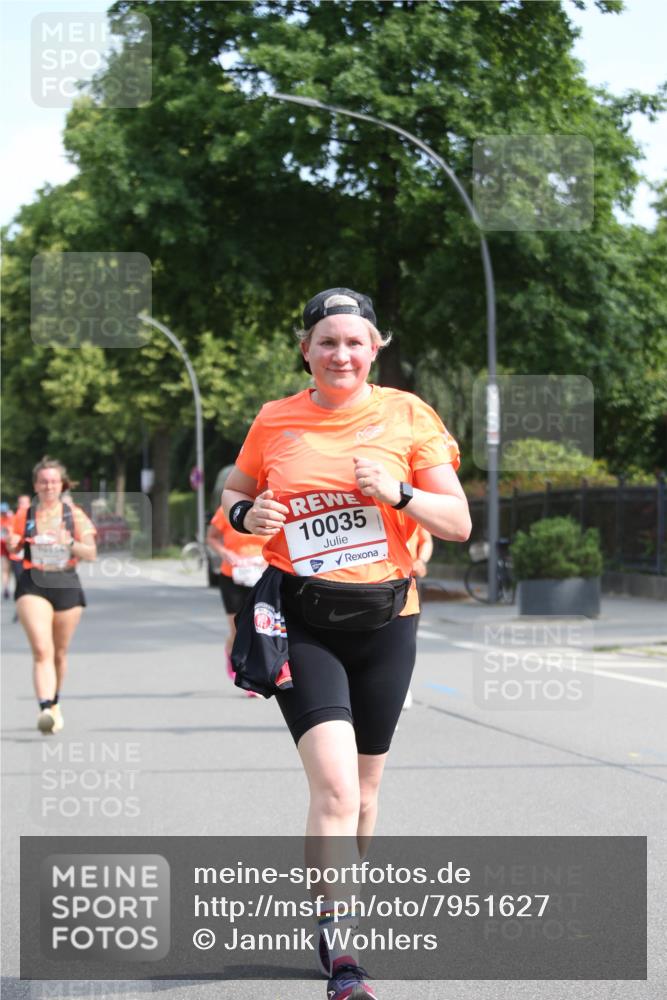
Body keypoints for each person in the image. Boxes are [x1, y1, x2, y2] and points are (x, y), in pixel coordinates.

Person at [223, 288, 471, 1000]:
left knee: (364, 792)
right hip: (302, 620)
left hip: (388, 620)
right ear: (305, 349)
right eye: (327, 341)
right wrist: (247, 509)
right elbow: (233, 497)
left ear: (374, 348)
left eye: (354, 341)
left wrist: (397, 492)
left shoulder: (408, 415)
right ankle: (341, 949)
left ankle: (339, 906)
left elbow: (455, 523)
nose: (341, 354)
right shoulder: (275, 421)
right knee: (332, 786)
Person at [9, 457, 97, 735]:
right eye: (43, 481)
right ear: (36, 485)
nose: (49, 485)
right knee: (42, 650)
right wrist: (13, 543)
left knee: (59, 653)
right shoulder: (24, 514)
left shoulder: (74, 515)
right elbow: (13, 544)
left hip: (66, 583)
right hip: (33, 583)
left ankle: (55, 702)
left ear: (62, 484)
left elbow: (91, 553)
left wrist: (68, 541)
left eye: (54, 481)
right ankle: (44, 708)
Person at [206, 466, 267, 696]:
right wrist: (226, 554)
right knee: (237, 630)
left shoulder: (271, 510)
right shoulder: (227, 510)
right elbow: (211, 537)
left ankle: (253, 678)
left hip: (260, 575)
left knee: (258, 628)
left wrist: (266, 561)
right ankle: (231, 654)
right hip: (232, 575)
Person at [402, 524, 433, 710]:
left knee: (408, 637)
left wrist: (421, 560)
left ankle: (403, 685)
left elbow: (426, 541)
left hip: (410, 579)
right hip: (379, 580)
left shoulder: (408, 503)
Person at [1, 501, 13, 599]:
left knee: (7, 570)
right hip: (4, 547)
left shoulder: (11, 518)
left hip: (11, 546)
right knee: (6, 569)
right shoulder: (10, 519)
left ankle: (6, 587)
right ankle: (6, 587)